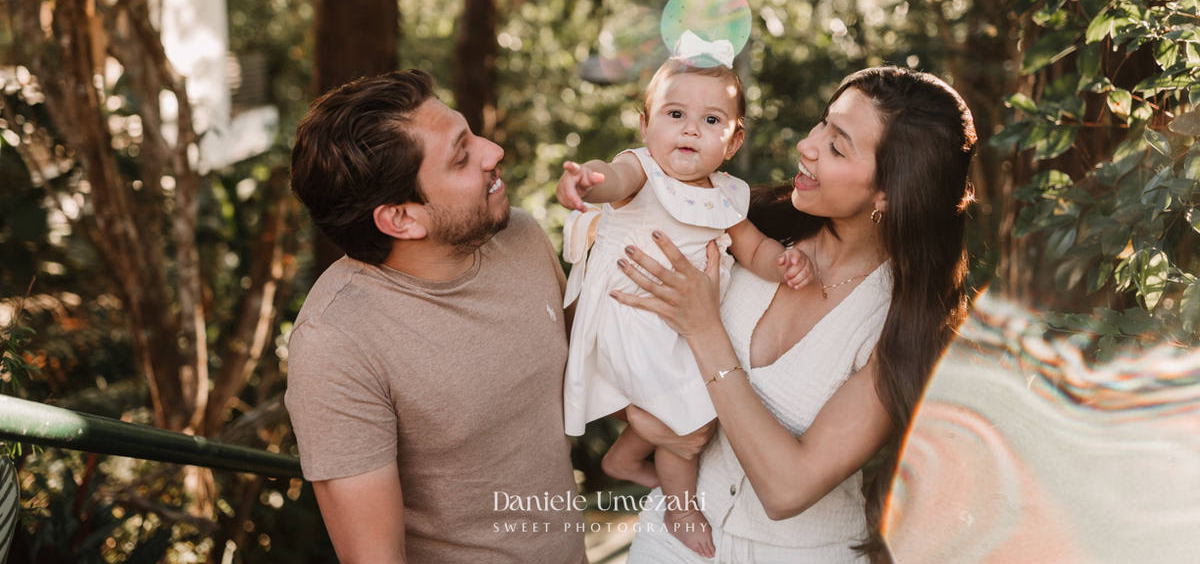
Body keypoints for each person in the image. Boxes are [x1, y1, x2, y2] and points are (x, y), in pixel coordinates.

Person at [611, 66, 977, 562]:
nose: (808, 144)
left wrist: (703, 328)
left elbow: (787, 490)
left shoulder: (903, 327)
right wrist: (637, 418)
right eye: (823, 124)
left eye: (837, 146)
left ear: (890, 192)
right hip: (673, 536)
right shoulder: (742, 226)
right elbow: (616, 331)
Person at [284, 70, 588, 564]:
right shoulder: (335, 342)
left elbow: (597, 367)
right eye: (463, 156)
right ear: (401, 218)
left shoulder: (520, 236)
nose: (494, 152)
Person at [556, 56, 813, 558]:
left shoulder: (725, 196)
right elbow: (613, 177)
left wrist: (785, 262)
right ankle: (681, 507)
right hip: (630, 316)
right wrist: (589, 180)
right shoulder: (642, 169)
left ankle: (624, 459)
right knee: (689, 419)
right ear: (645, 124)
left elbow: (755, 249)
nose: (690, 129)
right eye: (674, 114)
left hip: (678, 326)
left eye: (711, 120)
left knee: (689, 397)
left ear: (733, 141)